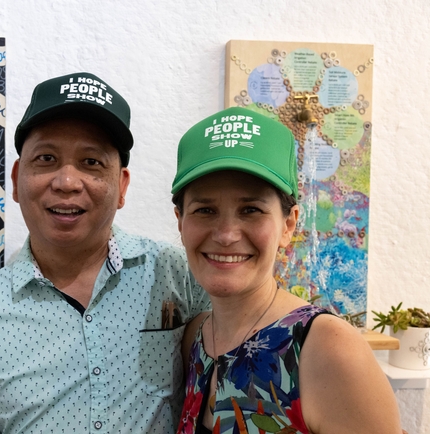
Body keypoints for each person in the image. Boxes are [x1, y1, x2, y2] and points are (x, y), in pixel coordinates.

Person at [0, 72, 210, 434]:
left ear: (122, 186)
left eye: (91, 162)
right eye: (46, 158)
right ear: (17, 179)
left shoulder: (176, 274)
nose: (66, 182)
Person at [172, 107, 402, 433]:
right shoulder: (195, 340)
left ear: (288, 224)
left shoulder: (327, 349)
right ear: (180, 221)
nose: (225, 234)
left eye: (251, 209)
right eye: (204, 209)